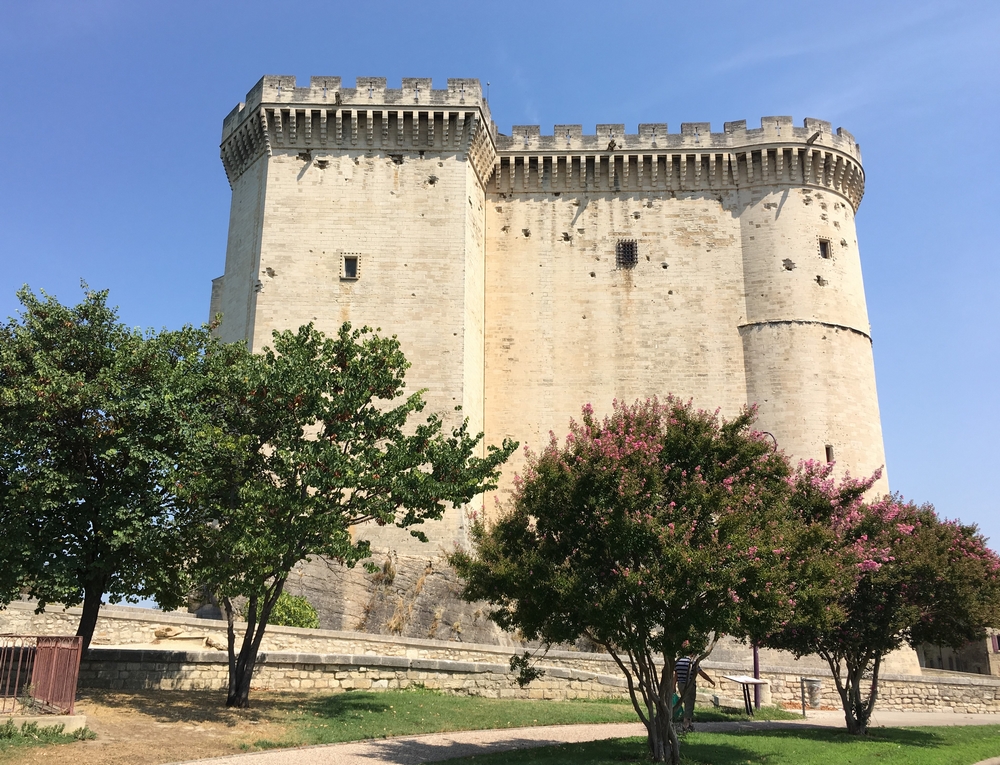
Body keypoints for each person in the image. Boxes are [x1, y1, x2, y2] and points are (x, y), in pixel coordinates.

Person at [674, 655, 716, 731]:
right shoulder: (692, 662)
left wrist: (673, 686)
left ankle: (690, 723)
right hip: (689, 685)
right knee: (689, 703)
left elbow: (676, 676)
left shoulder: (678, 661)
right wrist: (710, 681)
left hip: (680, 685)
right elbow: (701, 673)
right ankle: (686, 724)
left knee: (686, 702)